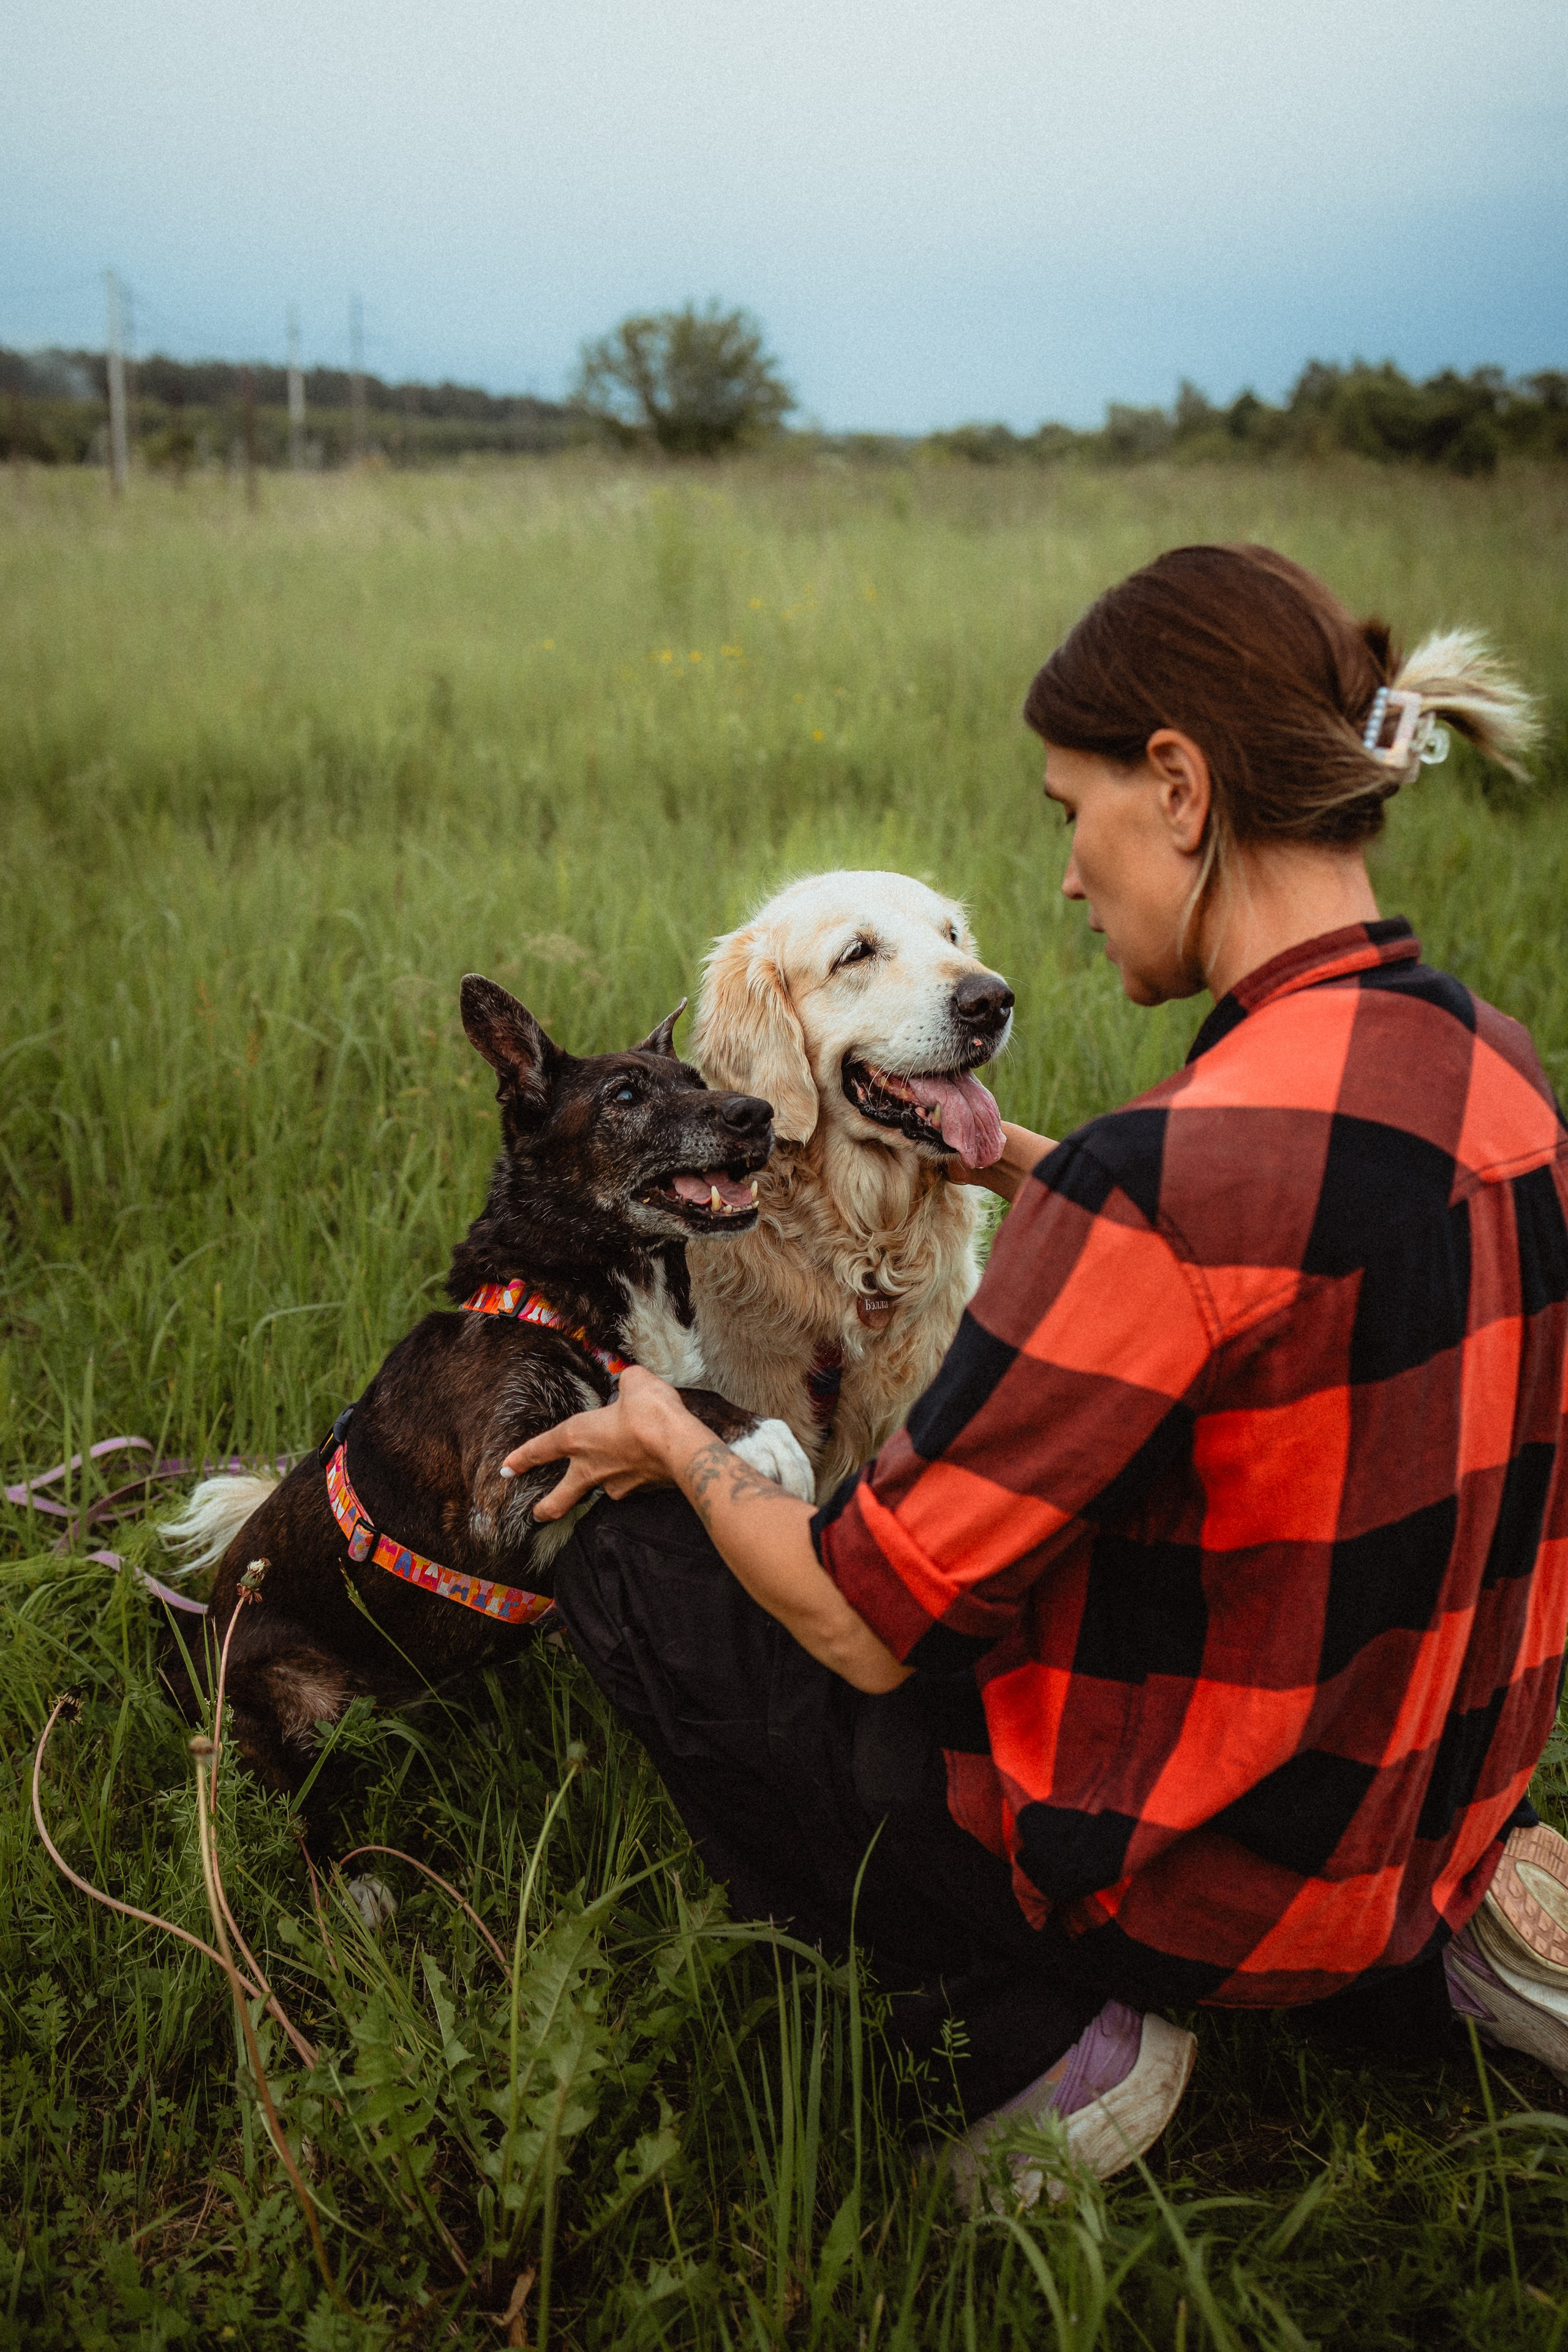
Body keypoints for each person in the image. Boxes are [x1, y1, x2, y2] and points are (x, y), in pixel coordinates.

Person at [504, 545, 1568, 2200]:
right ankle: (1471, 1953)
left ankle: (1033, 2034)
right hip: (1415, 1835)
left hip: (1197, 1891)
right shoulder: (1502, 1075)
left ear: (1181, 790)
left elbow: (861, 1618)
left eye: (1074, 813)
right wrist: (1016, 1161)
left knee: (631, 1549)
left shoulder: (1157, 1191)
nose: (1066, 883)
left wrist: (668, 1434)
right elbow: (1283, 1236)